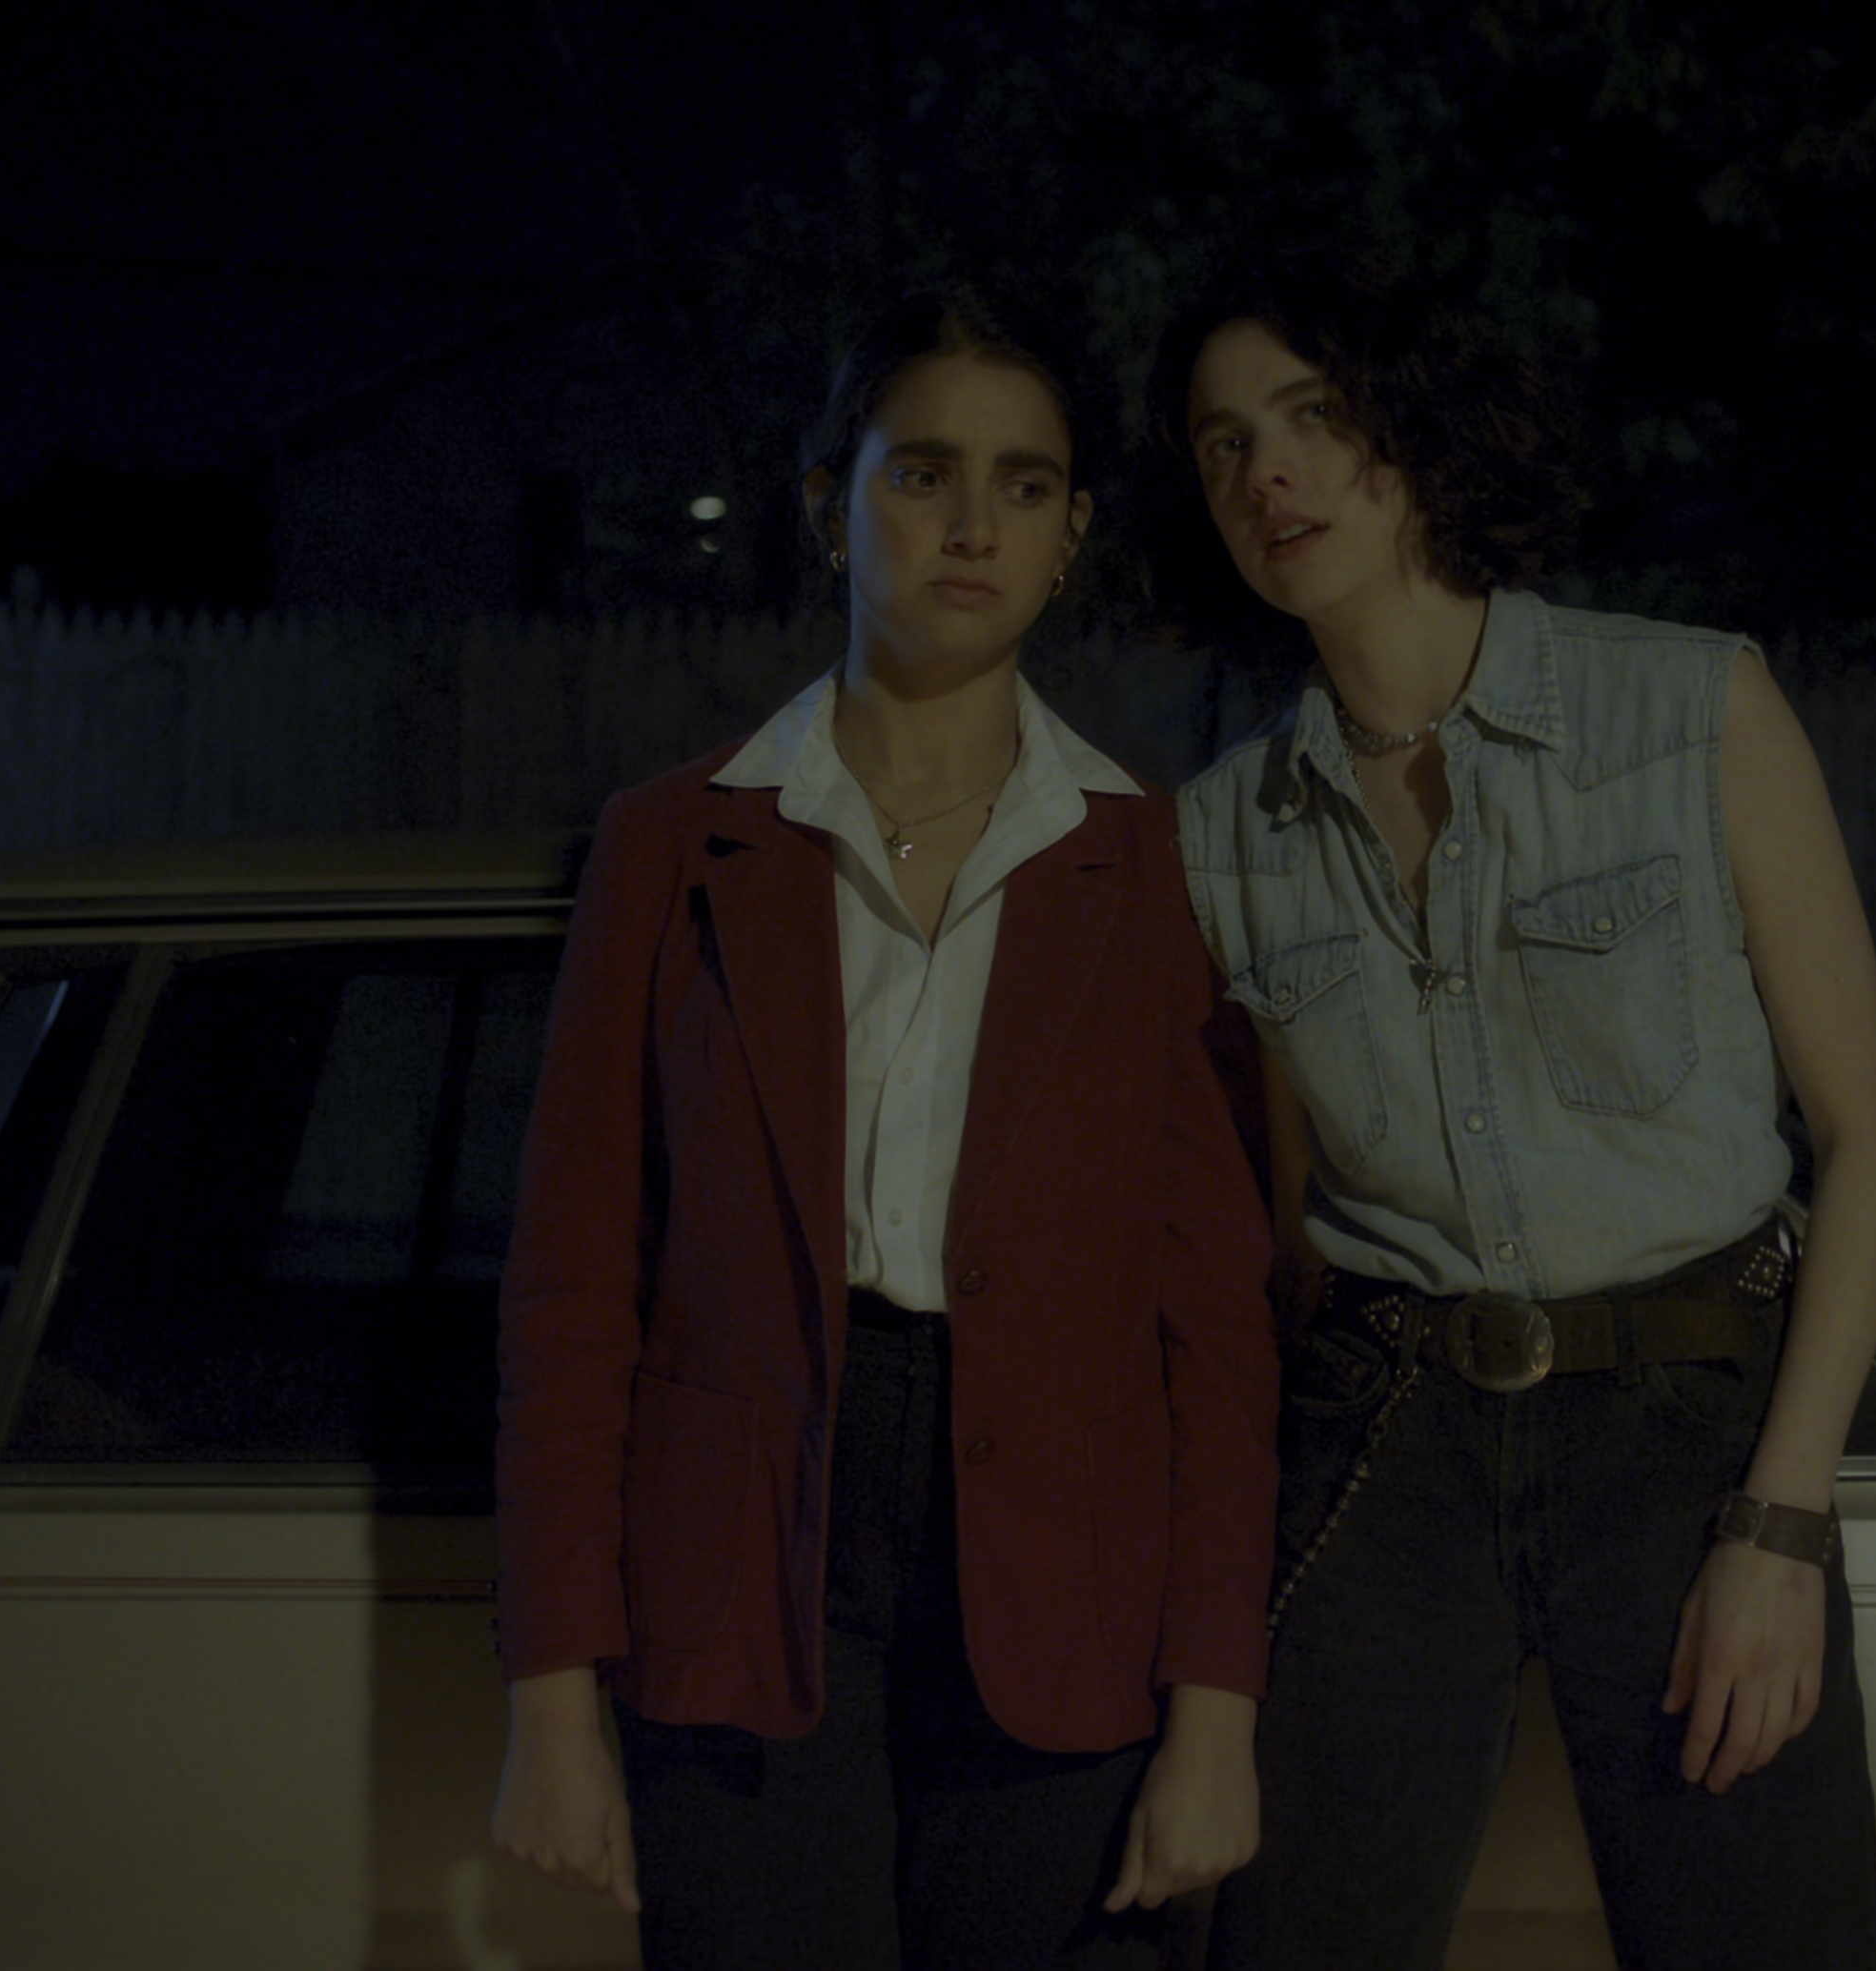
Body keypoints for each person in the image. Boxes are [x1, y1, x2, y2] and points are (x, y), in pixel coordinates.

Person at [489, 287, 1280, 1969]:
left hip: (1063, 1587)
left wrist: (1217, 1711)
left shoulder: (1148, 866)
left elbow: (1215, 1329)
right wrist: (552, 1699)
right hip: (742, 1570)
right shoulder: (671, 846)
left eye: (1023, 484)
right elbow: (571, 1294)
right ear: (827, 504)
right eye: (922, 474)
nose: (972, 524)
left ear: (1070, 537)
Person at [1156, 257, 1876, 1970]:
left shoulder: (1690, 708)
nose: (1267, 474)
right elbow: (1267, 1229)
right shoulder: (1221, 837)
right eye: (1221, 446)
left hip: (1686, 1427)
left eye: (1312, 416)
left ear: (1416, 426)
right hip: (1387, 1435)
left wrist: (1780, 1525)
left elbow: (1869, 1141)